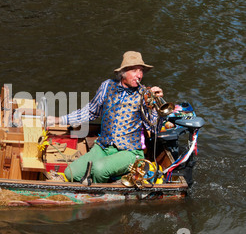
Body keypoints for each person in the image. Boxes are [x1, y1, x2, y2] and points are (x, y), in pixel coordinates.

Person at [48, 51, 164, 185]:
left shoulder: (144, 95)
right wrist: (59, 120)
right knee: (70, 173)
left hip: (130, 152)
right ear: (123, 73)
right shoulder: (106, 86)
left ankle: (98, 195)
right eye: (134, 70)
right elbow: (90, 112)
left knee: (99, 169)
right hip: (103, 147)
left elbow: (154, 128)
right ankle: (111, 177)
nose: (139, 75)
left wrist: (157, 108)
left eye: (141, 71)